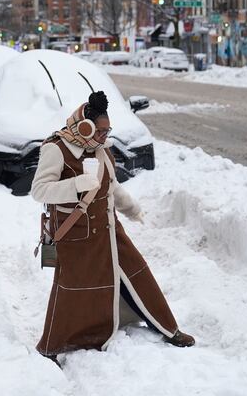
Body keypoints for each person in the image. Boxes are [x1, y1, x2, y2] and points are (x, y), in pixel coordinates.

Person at [31, 90, 194, 366]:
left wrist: (132, 208)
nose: (106, 136)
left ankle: (166, 327)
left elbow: (111, 186)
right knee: (72, 290)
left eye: (109, 130)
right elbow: (39, 191)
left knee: (137, 274)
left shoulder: (101, 150)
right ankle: (52, 346)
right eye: (101, 130)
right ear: (85, 127)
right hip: (75, 235)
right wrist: (75, 186)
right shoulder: (56, 150)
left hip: (109, 229)